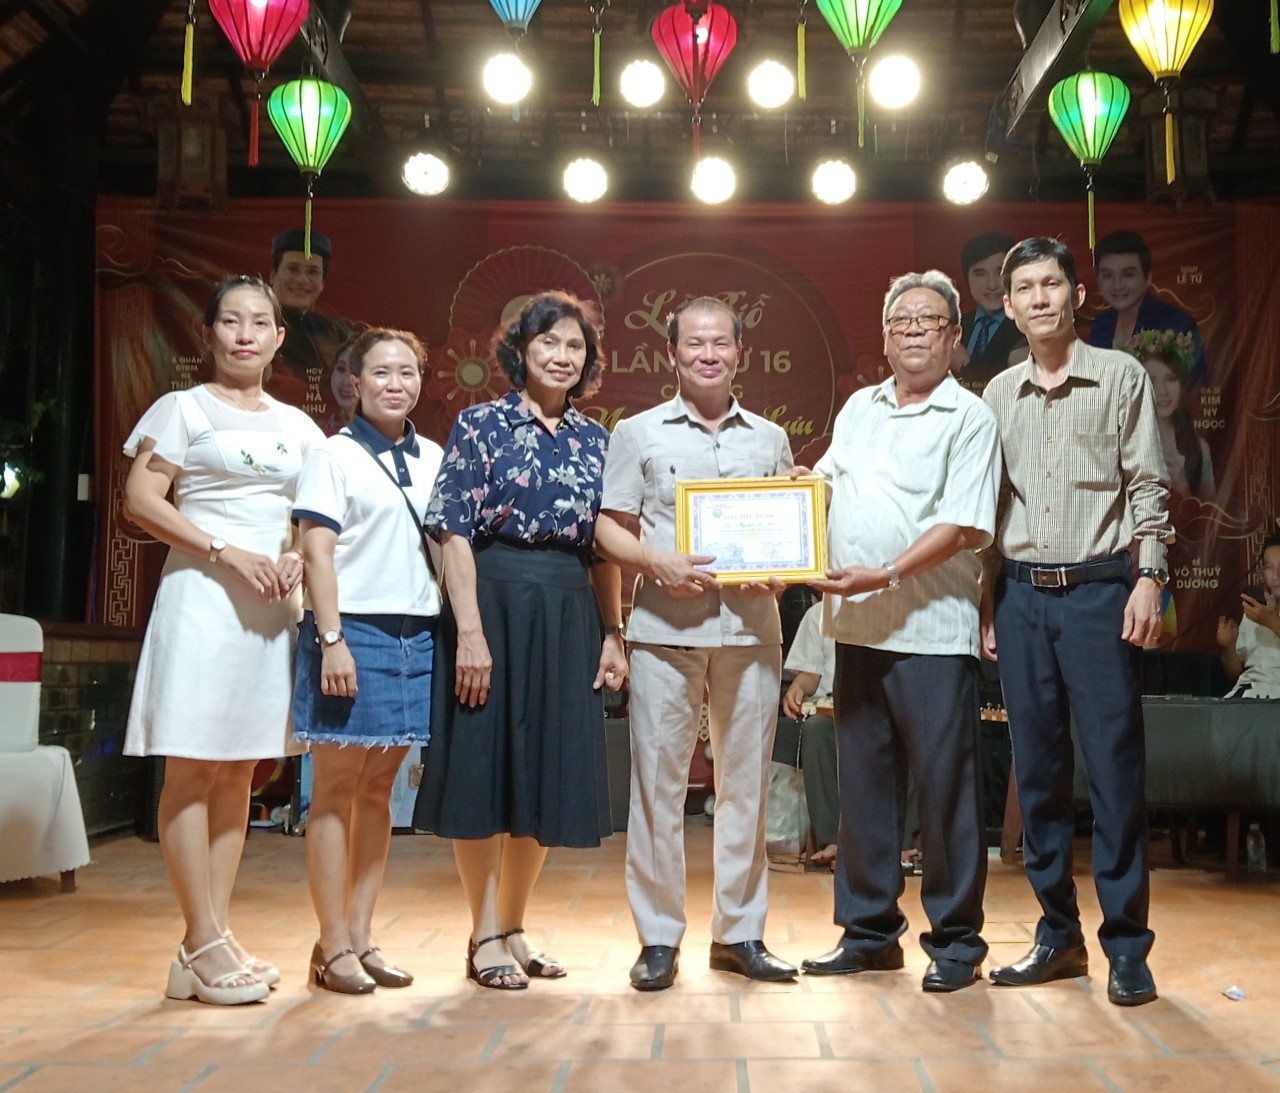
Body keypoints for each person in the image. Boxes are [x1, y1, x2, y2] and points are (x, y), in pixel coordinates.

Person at [414, 291, 627, 991]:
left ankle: (514, 921)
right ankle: (482, 931)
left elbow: (605, 551)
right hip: (493, 601)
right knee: (485, 768)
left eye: (575, 347)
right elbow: (453, 533)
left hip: (568, 609)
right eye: (549, 343)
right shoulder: (480, 425)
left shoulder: (599, 441)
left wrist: (613, 632)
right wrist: (469, 631)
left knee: (545, 772)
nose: (562, 356)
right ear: (520, 351)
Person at [122, 275, 325, 1005]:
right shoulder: (182, 409)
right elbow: (141, 500)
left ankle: (207, 936)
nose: (244, 333)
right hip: (203, 599)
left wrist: (300, 549)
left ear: (278, 338)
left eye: (259, 322)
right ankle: (201, 935)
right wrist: (221, 550)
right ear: (208, 333)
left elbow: (310, 512)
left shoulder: (300, 426)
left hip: (271, 609)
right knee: (192, 768)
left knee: (239, 770)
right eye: (230, 321)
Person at [981, 237, 1173, 1008]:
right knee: (1039, 775)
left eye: (1050, 283)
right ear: (1008, 304)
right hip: (1021, 596)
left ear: (1075, 293)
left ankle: (1127, 944)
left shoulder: (1120, 376)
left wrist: (1149, 576)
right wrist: (985, 597)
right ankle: (1057, 935)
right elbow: (988, 507)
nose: (1037, 298)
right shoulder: (996, 394)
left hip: (1100, 591)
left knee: (1117, 773)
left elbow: (1148, 484)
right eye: (1022, 286)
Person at [801, 270, 999, 994]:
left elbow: (959, 525)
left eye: (929, 320)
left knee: (945, 792)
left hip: (932, 631)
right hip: (857, 628)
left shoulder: (968, 417)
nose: (913, 330)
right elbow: (824, 483)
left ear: (953, 337)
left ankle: (955, 938)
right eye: (900, 321)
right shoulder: (859, 407)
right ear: (884, 337)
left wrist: (883, 572)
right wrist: (788, 493)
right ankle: (868, 932)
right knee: (864, 787)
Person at [594, 296, 798, 992]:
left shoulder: (769, 437)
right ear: (672, 354)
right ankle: (658, 937)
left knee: (746, 786)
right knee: (658, 788)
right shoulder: (638, 432)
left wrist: (786, 563)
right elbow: (608, 528)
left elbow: (785, 526)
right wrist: (656, 563)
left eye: (720, 342)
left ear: (740, 351)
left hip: (750, 629)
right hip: (663, 634)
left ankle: (739, 932)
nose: (707, 353)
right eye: (694, 344)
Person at [291, 329, 445, 994]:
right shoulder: (335, 454)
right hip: (350, 631)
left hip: (419, 634)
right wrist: (331, 640)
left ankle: (361, 933)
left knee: (381, 791)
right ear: (354, 381)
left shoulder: (436, 455)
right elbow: (315, 551)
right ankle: (330, 945)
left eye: (407, 372)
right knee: (334, 789)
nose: (395, 383)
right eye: (380, 372)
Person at [1088, 230, 1207, 383]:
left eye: (1128, 275)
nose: (1117, 284)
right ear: (1098, 280)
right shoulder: (1101, 325)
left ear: (1148, 277)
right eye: (1107, 275)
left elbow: (1195, 384)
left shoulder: (1177, 324)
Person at [777, 599, 839, 867]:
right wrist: (797, 688)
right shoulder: (819, 614)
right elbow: (810, 675)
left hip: (881, 706)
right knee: (816, 730)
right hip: (834, 710)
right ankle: (831, 839)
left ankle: (905, 842)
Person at [268, 229, 356, 411]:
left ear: (323, 283)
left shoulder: (337, 333)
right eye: (292, 269)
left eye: (313, 272)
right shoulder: (252, 329)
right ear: (273, 275)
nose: (302, 279)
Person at [1128, 330, 1215, 502]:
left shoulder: (1199, 449)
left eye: (1171, 379)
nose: (1163, 391)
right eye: (1152, 381)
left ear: (1182, 387)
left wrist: (1183, 488)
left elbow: (1209, 520)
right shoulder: (1123, 445)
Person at [951, 231, 1027, 394]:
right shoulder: (957, 325)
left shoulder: (1028, 326)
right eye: (980, 274)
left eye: (1000, 273)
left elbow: (1012, 388)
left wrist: (964, 364)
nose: (992, 284)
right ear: (967, 278)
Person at [1218, 532, 1280, 699]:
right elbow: (1234, 672)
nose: (1276, 576)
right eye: (1269, 567)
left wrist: (1273, 622)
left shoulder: (1262, 615)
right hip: (1247, 695)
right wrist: (1229, 645)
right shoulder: (1255, 609)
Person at [318, 337, 359, 435]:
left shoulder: (387, 435)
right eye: (341, 369)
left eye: (357, 372)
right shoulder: (319, 431)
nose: (346, 381)